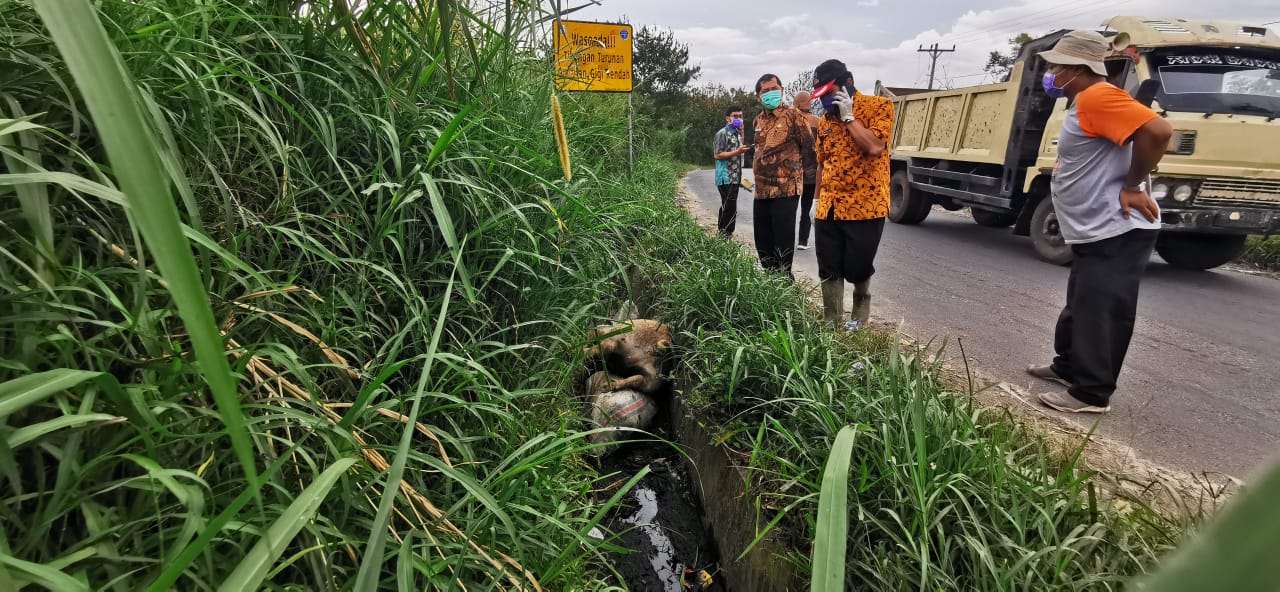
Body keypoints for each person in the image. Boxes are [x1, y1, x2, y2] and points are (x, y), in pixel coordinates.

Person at [1025, 30, 1170, 414]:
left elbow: (1158, 131)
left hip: (1117, 227)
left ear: (1077, 68)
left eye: (1057, 66)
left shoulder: (1099, 96)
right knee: (1081, 303)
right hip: (1094, 229)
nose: (1052, 73)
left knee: (1101, 309)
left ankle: (1090, 393)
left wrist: (1134, 185)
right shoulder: (1084, 101)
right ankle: (1068, 366)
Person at [808, 59, 893, 330]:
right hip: (829, 206)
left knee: (858, 267)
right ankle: (831, 322)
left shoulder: (880, 107)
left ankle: (858, 321)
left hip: (865, 206)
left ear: (849, 83)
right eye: (822, 96)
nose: (827, 101)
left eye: (830, 93)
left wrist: (850, 119)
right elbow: (822, 162)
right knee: (828, 267)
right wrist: (816, 200)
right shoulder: (824, 122)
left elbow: (875, 147)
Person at [751, 73, 815, 277]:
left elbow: (809, 149)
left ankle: (785, 286)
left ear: (782, 90)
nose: (770, 94)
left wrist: (804, 178)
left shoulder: (794, 116)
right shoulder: (758, 120)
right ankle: (768, 285)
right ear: (758, 97)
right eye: (765, 91)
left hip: (786, 189)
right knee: (762, 242)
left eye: (773, 89)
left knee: (783, 244)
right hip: (761, 190)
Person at [712, 106, 750, 237]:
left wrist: (742, 134)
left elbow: (738, 146)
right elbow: (717, 155)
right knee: (730, 207)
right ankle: (725, 234)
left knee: (728, 205)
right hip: (725, 176)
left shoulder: (736, 133)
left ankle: (723, 233)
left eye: (740, 116)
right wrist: (737, 152)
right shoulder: (722, 133)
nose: (738, 118)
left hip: (735, 176)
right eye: (735, 116)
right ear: (728, 118)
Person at [793, 91, 820, 250]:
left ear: (798, 105)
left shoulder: (792, 121)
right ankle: (803, 241)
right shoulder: (818, 121)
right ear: (809, 103)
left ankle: (787, 239)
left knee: (790, 208)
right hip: (812, 174)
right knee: (806, 208)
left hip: (794, 174)